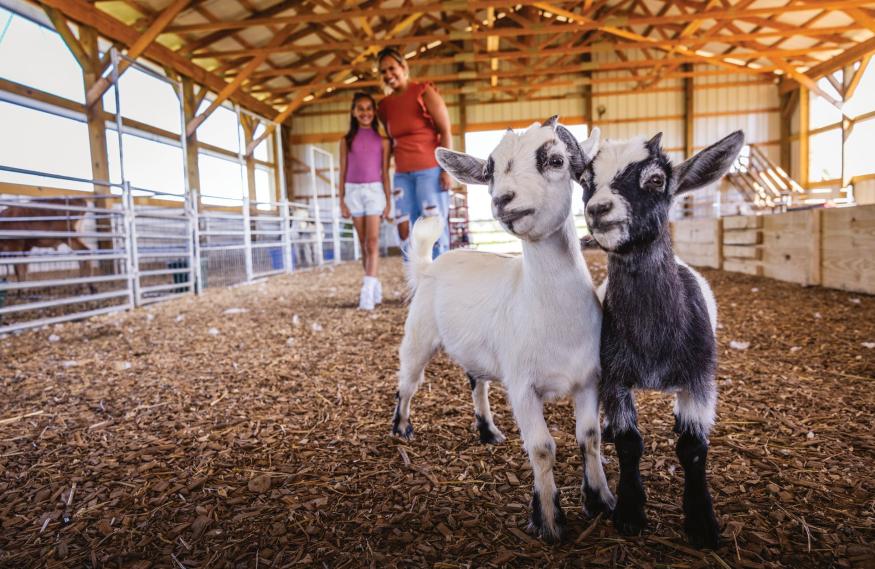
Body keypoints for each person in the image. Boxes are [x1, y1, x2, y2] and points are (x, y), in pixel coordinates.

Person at [376, 47, 454, 258]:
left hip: (430, 171)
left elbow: (445, 131)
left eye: (392, 68)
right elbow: (390, 141)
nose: (388, 75)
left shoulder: (424, 92)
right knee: (405, 229)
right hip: (402, 175)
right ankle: (414, 276)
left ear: (403, 67)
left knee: (432, 227)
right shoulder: (384, 106)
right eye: (383, 71)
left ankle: (438, 275)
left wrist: (446, 170)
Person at [339, 92, 391, 311]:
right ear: (353, 112)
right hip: (353, 192)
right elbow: (342, 171)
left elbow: (385, 173)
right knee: (363, 245)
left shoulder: (383, 141)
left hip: (374, 192)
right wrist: (342, 201)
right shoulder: (346, 141)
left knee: (372, 243)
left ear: (374, 112)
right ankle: (374, 283)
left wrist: (388, 202)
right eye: (360, 109)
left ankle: (367, 292)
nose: (365, 113)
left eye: (369, 108)